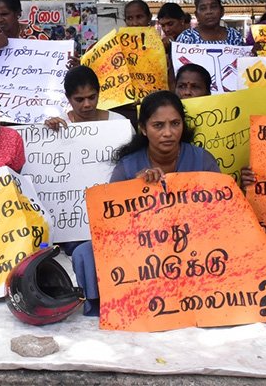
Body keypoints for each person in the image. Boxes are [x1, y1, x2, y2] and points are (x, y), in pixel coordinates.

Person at [71, 91, 220, 314]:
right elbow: (110, 226)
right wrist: (135, 189)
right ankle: (112, 304)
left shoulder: (202, 159)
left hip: (194, 247)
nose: (168, 133)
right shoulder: (128, 166)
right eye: (158, 125)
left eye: (175, 124)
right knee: (84, 252)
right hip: (143, 251)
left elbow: (222, 213)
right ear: (143, 128)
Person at [43, 66, 131, 129]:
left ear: (98, 93)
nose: (87, 104)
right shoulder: (58, 126)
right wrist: (48, 131)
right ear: (68, 98)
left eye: (92, 97)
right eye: (79, 100)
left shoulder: (120, 123)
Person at [175, 0, 244, 45]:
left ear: (222, 11)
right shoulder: (186, 38)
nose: (209, 12)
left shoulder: (235, 36)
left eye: (213, 7)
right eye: (203, 8)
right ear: (196, 15)